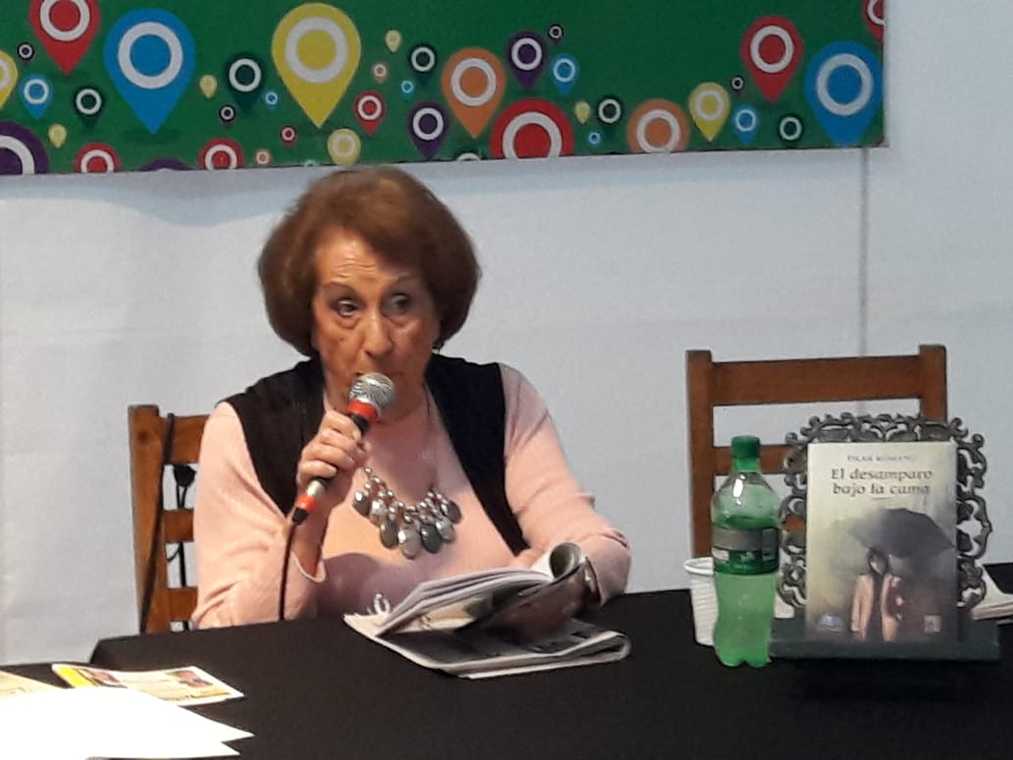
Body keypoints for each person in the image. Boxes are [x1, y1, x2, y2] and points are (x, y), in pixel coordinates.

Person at [192, 167, 631, 635]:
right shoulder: (251, 430)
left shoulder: (498, 400)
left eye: (401, 303)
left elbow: (601, 548)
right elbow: (225, 637)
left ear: (438, 313)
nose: (378, 341)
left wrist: (548, 586)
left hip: (493, 676)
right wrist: (307, 529)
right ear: (309, 321)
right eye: (346, 307)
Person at [850, 547, 889, 642]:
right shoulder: (863, 580)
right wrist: (855, 627)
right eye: (873, 561)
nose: (876, 564)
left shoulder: (892, 579)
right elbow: (857, 603)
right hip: (868, 623)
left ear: (885, 561)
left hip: (887, 625)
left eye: (879, 561)